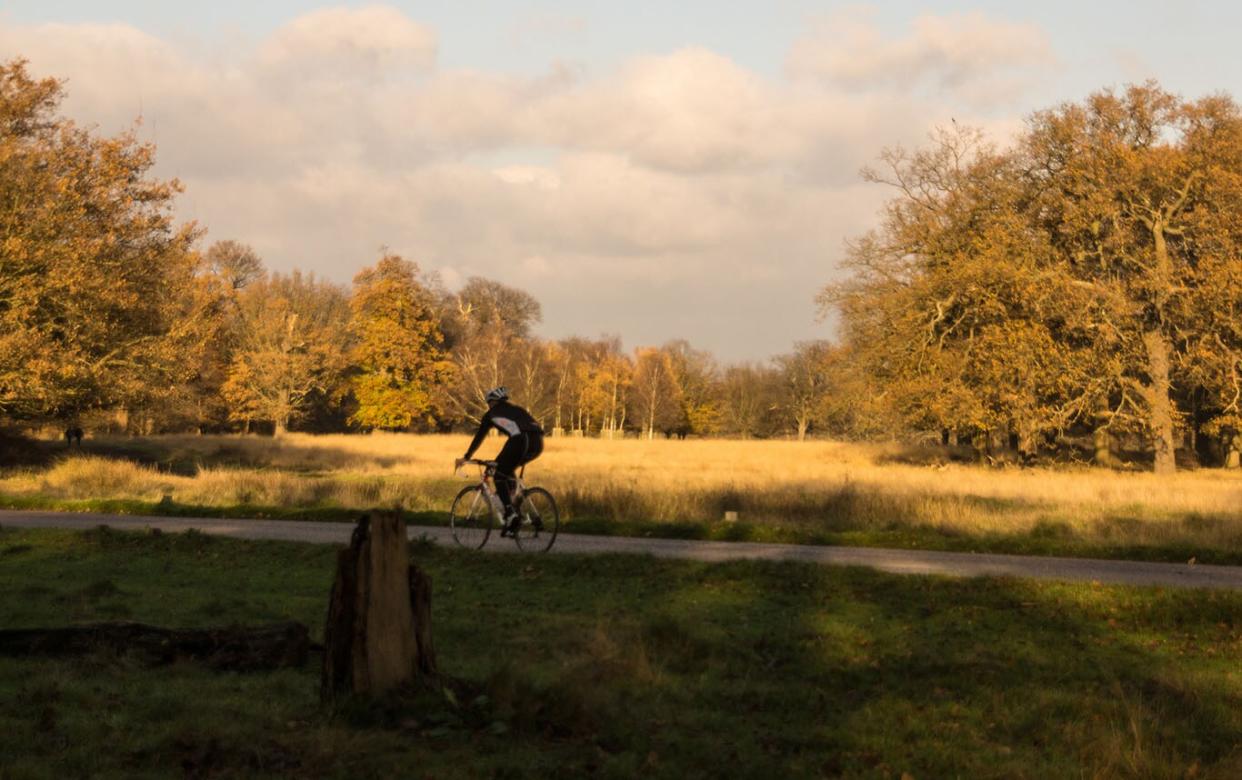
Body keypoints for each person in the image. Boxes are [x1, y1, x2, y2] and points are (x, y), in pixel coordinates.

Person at [456, 386, 544, 536]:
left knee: (498, 476)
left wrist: (467, 456)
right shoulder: (518, 409)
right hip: (538, 443)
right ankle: (520, 517)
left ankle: (510, 514)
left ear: (492, 402)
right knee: (506, 470)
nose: (488, 406)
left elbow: (479, 437)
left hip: (520, 441)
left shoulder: (491, 414)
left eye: (488, 403)